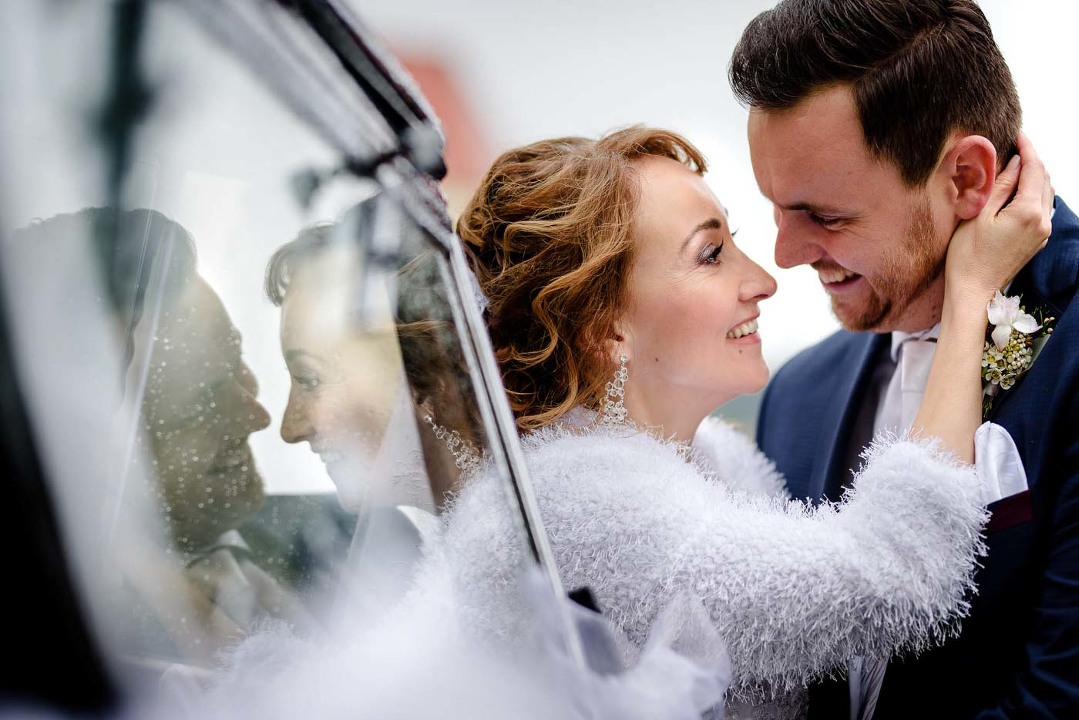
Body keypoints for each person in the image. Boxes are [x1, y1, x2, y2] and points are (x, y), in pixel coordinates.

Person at [403, 124, 1053, 718]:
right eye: (711, 254)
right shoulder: (574, 502)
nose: (765, 280)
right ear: (605, 327)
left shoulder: (714, 458)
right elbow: (893, 577)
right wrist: (970, 296)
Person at [729, 1, 1078, 717]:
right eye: (776, 207)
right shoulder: (798, 395)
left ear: (966, 179)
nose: (783, 255)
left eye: (826, 215)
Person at [12, 208, 313, 666]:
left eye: (236, 362)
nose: (259, 417)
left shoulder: (352, 533)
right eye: (201, 401)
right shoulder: (71, 652)